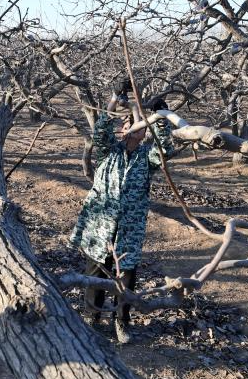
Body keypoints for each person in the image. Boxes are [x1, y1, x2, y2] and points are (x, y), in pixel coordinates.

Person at [69, 80, 174, 343]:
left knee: (125, 278)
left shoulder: (147, 158)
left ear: (144, 133)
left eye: (138, 126)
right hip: (100, 227)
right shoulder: (108, 152)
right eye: (127, 125)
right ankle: (91, 318)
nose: (131, 128)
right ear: (122, 130)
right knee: (95, 272)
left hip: (129, 230)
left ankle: (121, 322)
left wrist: (161, 117)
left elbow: (165, 149)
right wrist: (115, 99)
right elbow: (100, 131)